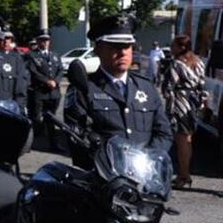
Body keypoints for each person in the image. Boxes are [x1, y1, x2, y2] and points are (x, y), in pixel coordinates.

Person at [64, 14, 172, 170]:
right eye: (115, 46)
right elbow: (76, 140)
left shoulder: (146, 87)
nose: (123, 52)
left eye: (127, 46)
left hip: (145, 175)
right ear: (98, 50)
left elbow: (164, 133)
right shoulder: (84, 89)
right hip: (103, 177)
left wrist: (146, 160)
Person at [159, 35, 206, 188]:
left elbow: (168, 87)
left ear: (182, 47)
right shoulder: (198, 62)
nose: (171, 48)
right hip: (193, 103)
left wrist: (169, 100)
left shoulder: (177, 64)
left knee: (181, 141)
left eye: (173, 46)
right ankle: (184, 173)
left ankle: (184, 175)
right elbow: (202, 83)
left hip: (180, 103)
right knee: (188, 138)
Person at [27, 31, 63, 147]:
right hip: (40, 92)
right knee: (37, 118)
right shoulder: (32, 55)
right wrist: (47, 81)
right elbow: (33, 71)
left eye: (47, 40)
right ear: (38, 41)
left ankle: (54, 144)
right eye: (42, 40)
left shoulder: (55, 55)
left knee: (52, 119)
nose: (45, 42)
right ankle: (32, 142)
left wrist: (55, 81)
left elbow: (60, 70)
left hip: (54, 92)